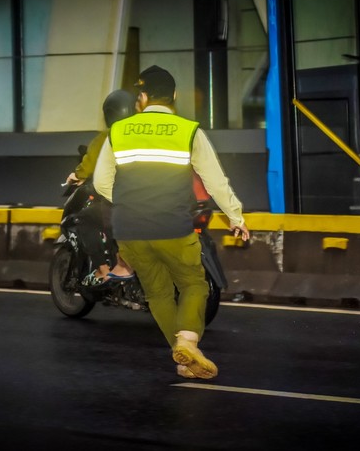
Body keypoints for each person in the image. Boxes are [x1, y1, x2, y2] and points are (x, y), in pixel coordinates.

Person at [93, 65, 250, 379]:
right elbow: (216, 181)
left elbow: (100, 182)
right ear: (174, 96)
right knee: (193, 284)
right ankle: (188, 342)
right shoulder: (188, 130)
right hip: (172, 227)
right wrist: (236, 217)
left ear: (142, 97)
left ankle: (184, 360)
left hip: (129, 229)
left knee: (158, 294)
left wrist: (128, 201)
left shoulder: (119, 131)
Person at [64, 89, 136, 285]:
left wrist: (76, 176)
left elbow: (88, 165)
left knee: (84, 220)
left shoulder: (105, 138)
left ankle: (102, 270)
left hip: (119, 201)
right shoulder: (141, 135)